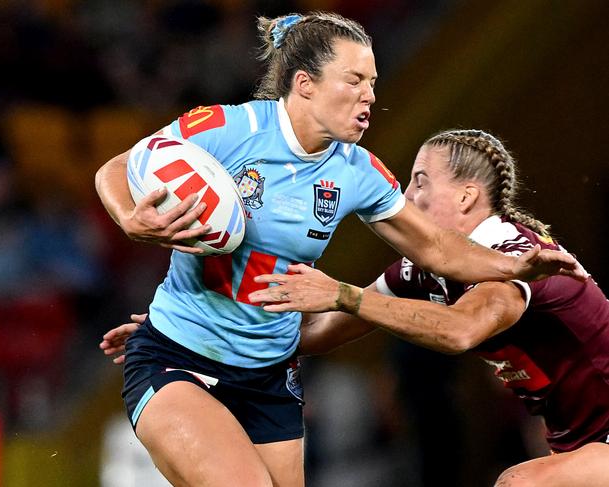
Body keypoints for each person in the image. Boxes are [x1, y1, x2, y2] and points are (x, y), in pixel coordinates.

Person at [95, 10, 585, 486]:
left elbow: (435, 246)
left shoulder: (358, 171)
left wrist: (514, 264)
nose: (370, 95)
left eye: (372, 82)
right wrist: (130, 220)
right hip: (180, 355)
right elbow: (118, 167)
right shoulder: (228, 128)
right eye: (354, 81)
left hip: (269, 375)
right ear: (305, 84)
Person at [242, 129, 609, 487]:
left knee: (519, 482)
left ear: (466, 197)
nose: (406, 196)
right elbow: (321, 333)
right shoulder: (423, 271)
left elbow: (460, 330)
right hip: (578, 440)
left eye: (420, 182)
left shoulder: (506, 255)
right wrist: (229, 330)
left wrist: (343, 294)